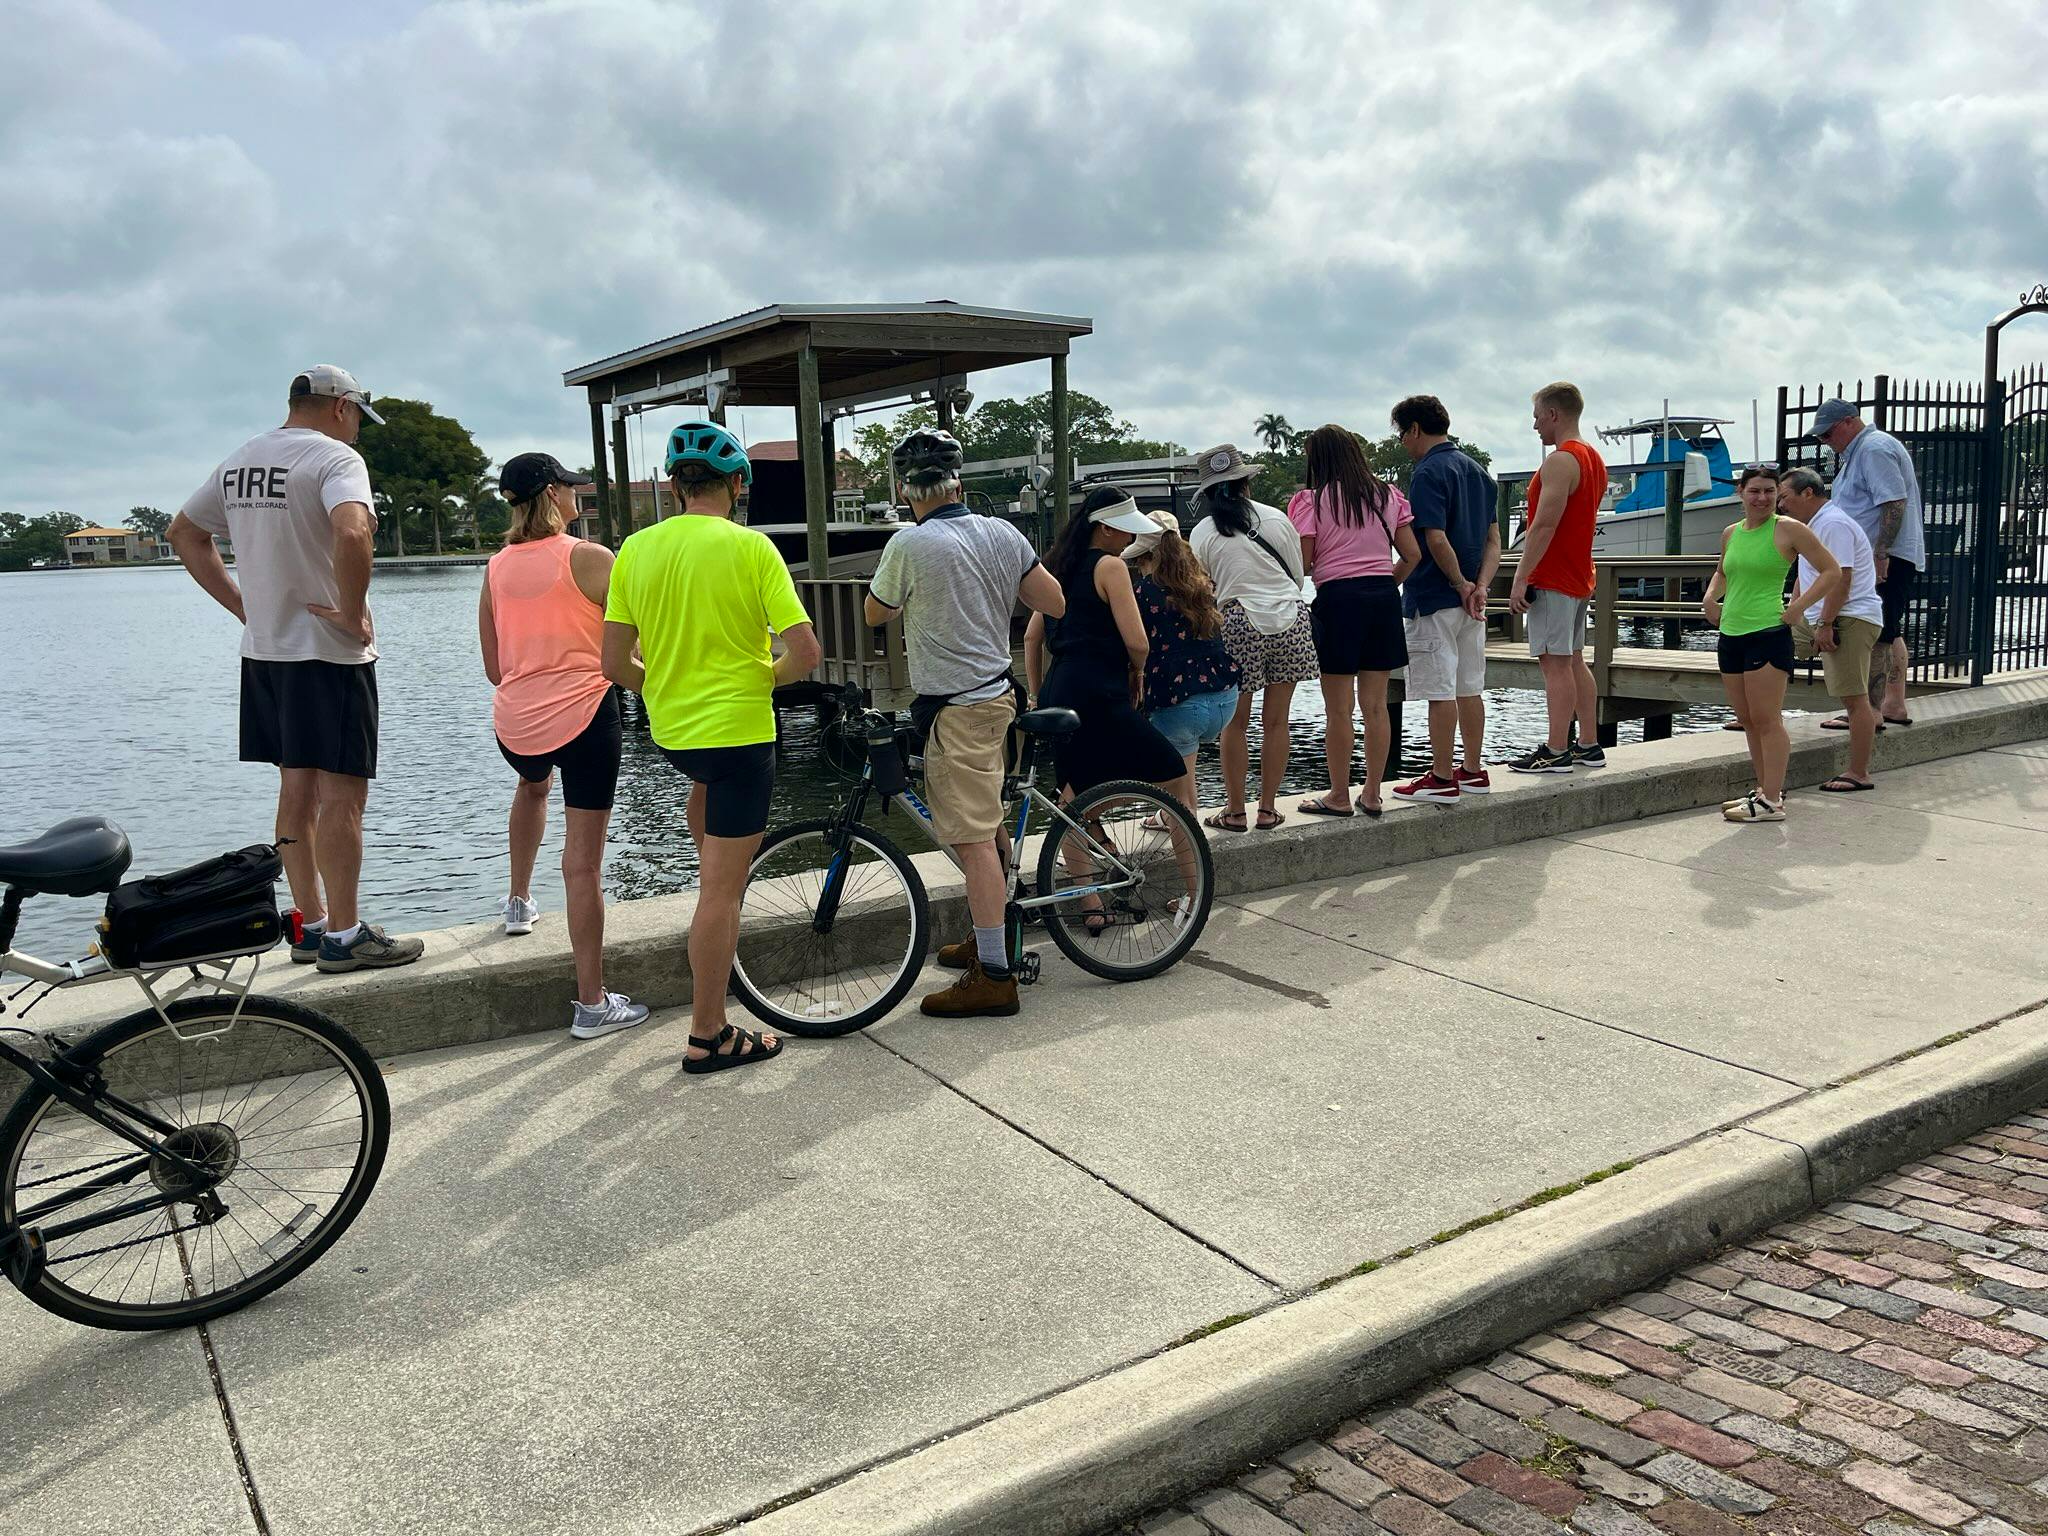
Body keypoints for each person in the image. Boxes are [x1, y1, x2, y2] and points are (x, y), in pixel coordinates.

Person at [166, 365, 426, 974]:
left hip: (266, 655)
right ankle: (345, 934)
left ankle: (307, 927)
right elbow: (353, 528)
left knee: (295, 790)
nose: (359, 428)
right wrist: (351, 611)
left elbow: (183, 534)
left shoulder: (241, 461)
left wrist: (244, 609)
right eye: (359, 415)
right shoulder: (335, 460)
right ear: (340, 406)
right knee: (342, 798)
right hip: (327, 655)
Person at [602, 421, 821, 1072]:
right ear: (735, 485)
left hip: (676, 737)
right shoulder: (751, 550)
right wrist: (765, 679)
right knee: (721, 895)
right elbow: (804, 653)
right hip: (739, 736)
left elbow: (615, 663)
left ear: (674, 486)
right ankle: (708, 1034)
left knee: (707, 821)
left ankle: (708, 871)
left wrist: (663, 692)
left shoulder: (633, 551)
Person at [865, 427, 1066, 1017]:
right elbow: (1052, 601)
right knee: (990, 824)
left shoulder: (909, 543)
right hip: (1001, 696)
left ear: (906, 489)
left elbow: (877, 612)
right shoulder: (1002, 532)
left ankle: (996, 978)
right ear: (960, 480)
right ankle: (994, 937)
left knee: (971, 838)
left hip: (958, 709)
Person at [480, 451, 645, 1041]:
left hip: (515, 726)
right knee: (583, 865)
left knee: (532, 786)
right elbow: (632, 647)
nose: (579, 497)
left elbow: (494, 665)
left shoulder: (495, 567)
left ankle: (518, 901)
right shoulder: (591, 558)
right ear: (553, 495)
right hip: (583, 718)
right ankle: (592, 1004)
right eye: (572, 489)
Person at [1287, 425, 1419, 818]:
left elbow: (1305, 562)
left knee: (1338, 710)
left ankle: (1339, 795)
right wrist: (1382, 583)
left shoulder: (1311, 500)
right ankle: (1374, 793)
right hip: (1382, 599)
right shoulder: (1388, 496)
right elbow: (1412, 555)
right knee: (1376, 705)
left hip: (1338, 601)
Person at [1188, 443, 1318, 831]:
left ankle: (1233, 810)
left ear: (1209, 492)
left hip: (1239, 619)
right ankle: (1267, 809)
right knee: (1278, 721)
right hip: (1290, 617)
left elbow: (1203, 588)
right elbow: (1297, 576)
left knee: (1236, 722)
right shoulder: (1278, 519)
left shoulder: (1202, 532)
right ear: (1246, 482)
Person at [1701, 464, 1842, 823]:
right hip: (1731, 634)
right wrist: (1710, 598)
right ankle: (1763, 789)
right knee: (1747, 719)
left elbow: (1831, 570)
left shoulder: (1788, 529)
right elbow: (1722, 571)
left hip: (1768, 633)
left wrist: (1798, 608)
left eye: (1769, 492)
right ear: (1741, 493)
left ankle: (1773, 800)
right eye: (1755, 491)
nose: (1762, 498)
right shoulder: (1731, 532)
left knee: (1768, 720)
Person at [1388, 394, 1501, 805]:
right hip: (1474, 600)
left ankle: (1440, 777)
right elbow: (1494, 541)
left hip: (1436, 596)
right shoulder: (1480, 472)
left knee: (1440, 689)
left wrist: (1457, 583)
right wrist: (1480, 586)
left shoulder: (1428, 472)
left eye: (1402, 433)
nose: (1402, 441)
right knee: (1469, 686)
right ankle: (1472, 769)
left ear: (1415, 428)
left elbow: (1433, 536)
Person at [1508, 383, 1609, 775]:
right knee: (1574, 660)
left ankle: (1555, 750)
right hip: (1581, 574)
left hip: (1553, 576)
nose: (1534, 425)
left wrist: (1521, 576)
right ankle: (1588, 742)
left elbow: (1542, 525)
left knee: (1554, 664)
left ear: (1553, 414)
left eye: (1536, 417)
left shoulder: (1560, 460)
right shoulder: (1593, 459)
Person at [1807, 398, 1925, 729]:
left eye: (1827, 435)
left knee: (1875, 632)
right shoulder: (1863, 450)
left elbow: (1893, 502)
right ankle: (1893, 704)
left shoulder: (1872, 448)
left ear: (1848, 422)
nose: (1825, 442)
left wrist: (1881, 553)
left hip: (1881, 556)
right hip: (1883, 553)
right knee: (1890, 626)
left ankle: (1869, 710)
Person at [1778, 466, 1885, 793]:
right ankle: (1762, 717)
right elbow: (1805, 572)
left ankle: (1859, 772)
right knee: (1773, 650)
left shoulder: (1833, 524)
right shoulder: (1814, 525)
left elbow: (1842, 577)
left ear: (1807, 493)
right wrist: (1793, 609)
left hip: (1847, 617)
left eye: (1784, 497)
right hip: (1816, 615)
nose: (1781, 505)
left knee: (1855, 699)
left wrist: (1826, 623)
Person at [1125, 511, 1241, 812]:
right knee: (1186, 772)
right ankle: (1174, 821)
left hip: (1179, 702)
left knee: (1180, 798)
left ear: (1144, 557)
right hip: (1224, 698)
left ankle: (1193, 848)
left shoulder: (1141, 593)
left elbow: (1135, 645)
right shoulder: (1202, 586)